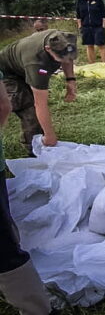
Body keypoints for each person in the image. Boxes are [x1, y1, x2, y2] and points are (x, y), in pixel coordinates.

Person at [0, 78, 52, 315]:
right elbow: (3, 106)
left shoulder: (44, 59)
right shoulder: (36, 60)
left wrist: (71, 81)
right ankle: (36, 309)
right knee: (3, 245)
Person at [0, 30, 78, 154]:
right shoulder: (36, 63)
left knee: (32, 101)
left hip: (22, 66)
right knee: (27, 106)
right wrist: (50, 135)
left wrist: (70, 80)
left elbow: (67, 59)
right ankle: (33, 147)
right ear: (48, 49)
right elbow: (40, 104)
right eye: (60, 58)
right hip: (8, 74)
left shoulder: (64, 39)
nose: (67, 61)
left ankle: (42, 138)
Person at [75, 0, 105, 64]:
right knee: (89, 45)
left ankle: (104, 64)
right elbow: (78, 15)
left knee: (101, 45)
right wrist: (80, 26)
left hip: (98, 26)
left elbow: (104, 14)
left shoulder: (98, 0)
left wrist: (103, 26)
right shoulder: (80, 1)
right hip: (86, 27)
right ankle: (91, 64)